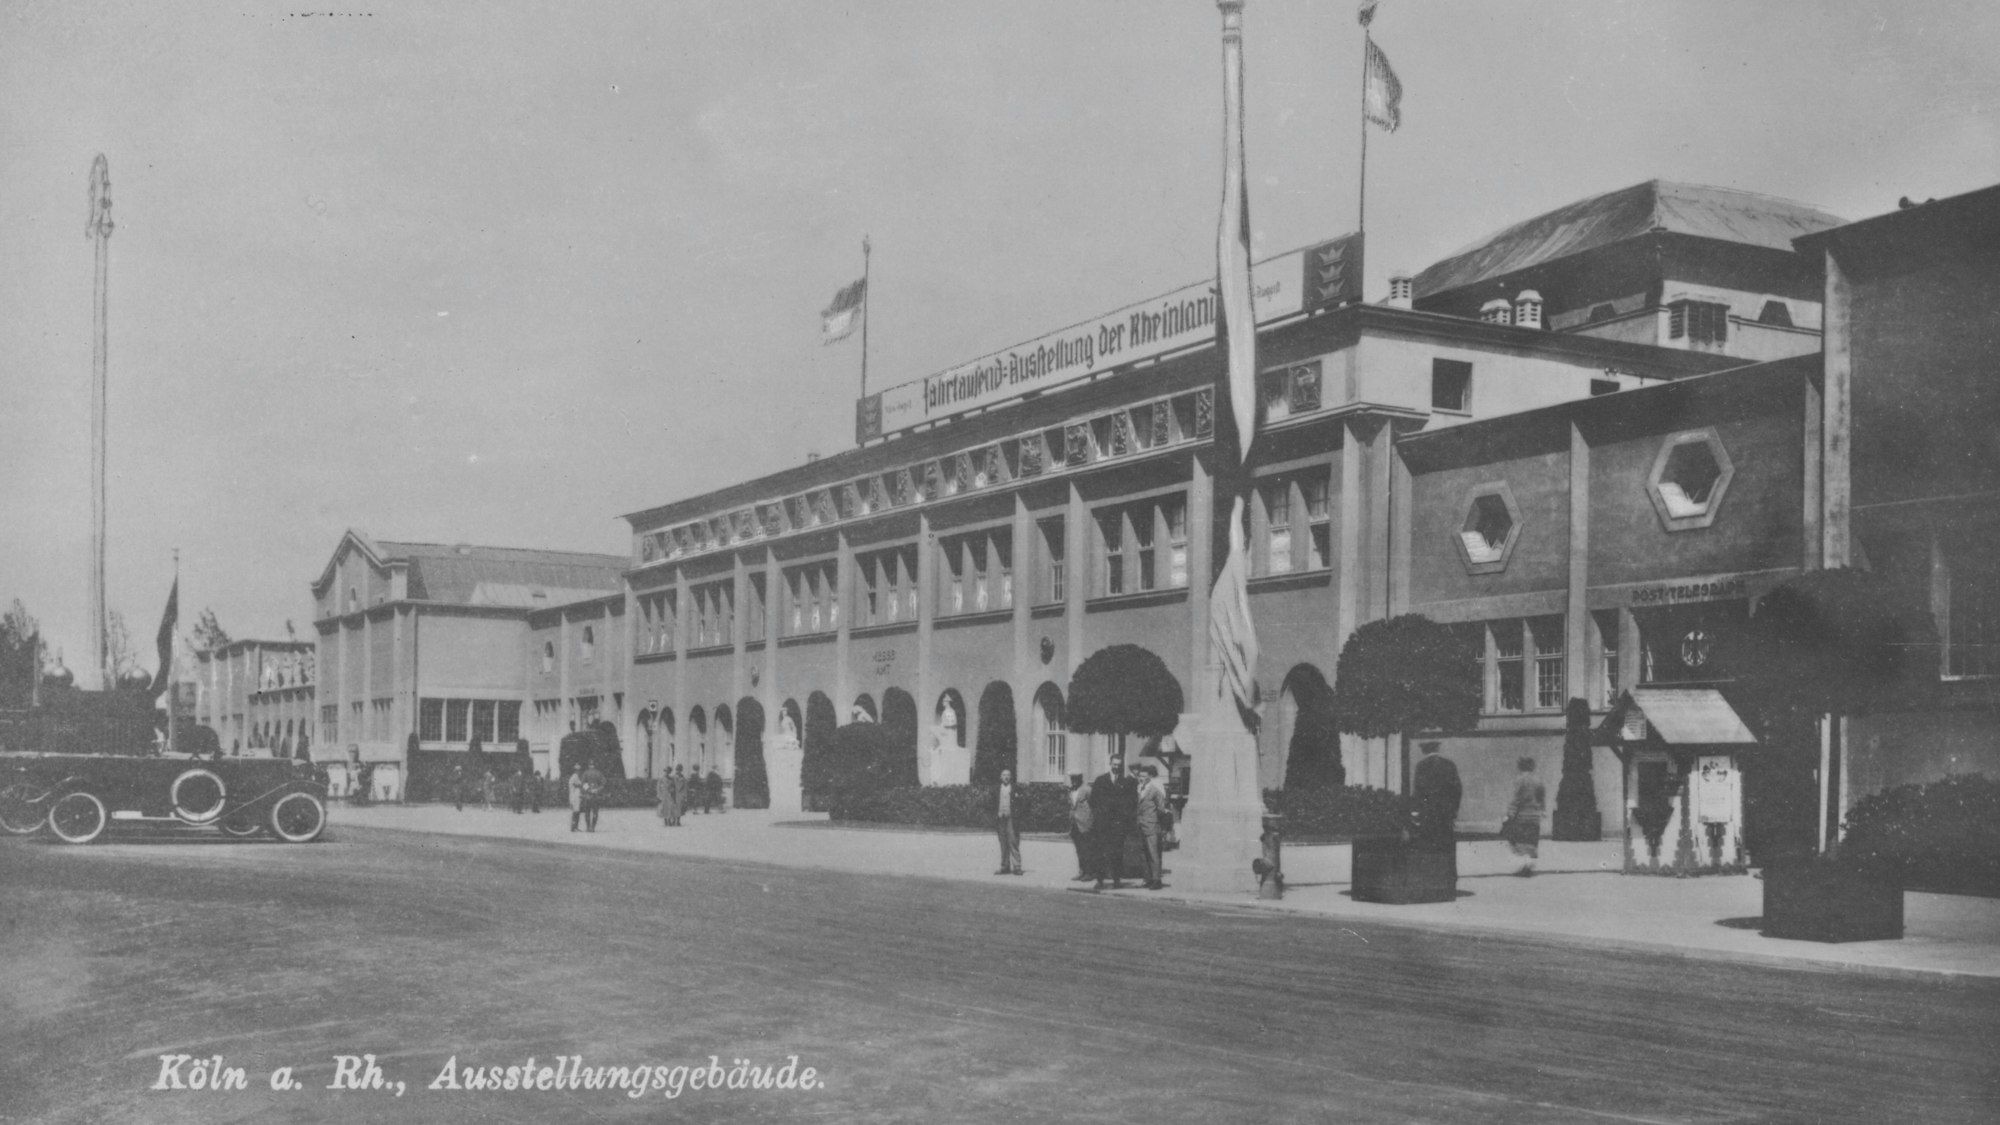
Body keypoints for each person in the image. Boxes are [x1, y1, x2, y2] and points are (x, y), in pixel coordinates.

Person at [1088, 754, 1138, 890]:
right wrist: (1100, 815)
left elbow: (1131, 802)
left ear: (1121, 766)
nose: (1116, 767)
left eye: (1119, 765)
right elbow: (1093, 801)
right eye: (1114, 764)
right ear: (1110, 764)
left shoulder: (1126, 782)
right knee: (1100, 853)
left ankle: (1116, 879)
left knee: (1117, 853)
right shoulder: (1100, 780)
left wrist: (1124, 817)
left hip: (1118, 825)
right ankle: (1100, 879)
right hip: (1102, 824)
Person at [1410, 741, 1463, 851]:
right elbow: (1457, 789)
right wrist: (1454, 809)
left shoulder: (1421, 766)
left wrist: (1417, 811)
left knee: (1429, 845)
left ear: (1423, 750)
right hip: (1446, 812)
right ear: (1437, 749)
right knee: (1446, 844)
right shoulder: (1449, 764)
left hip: (1428, 813)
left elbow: (1418, 791)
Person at [1505, 756, 1548, 876]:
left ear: (1520, 766)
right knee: (1531, 841)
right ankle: (1528, 865)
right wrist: (1543, 811)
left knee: (1520, 841)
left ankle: (1525, 866)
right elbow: (1541, 798)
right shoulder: (1539, 780)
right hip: (1534, 815)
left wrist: (1510, 813)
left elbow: (1517, 798)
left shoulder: (1519, 780)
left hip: (1522, 816)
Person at [1135, 764, 1169, 890]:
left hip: (1152, 825)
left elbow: (1161, 809)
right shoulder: (1139, 789)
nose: (1141, 778)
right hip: (1141, 825)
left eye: (1144, 776)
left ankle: (1157, 880)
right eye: (1140, 776)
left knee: (1154, 853)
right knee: (1144, 853)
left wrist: (1160, 825)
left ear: (1149, 777)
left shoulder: (1154, 790)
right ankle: (1148, 878)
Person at [993, 768, 1025, 875]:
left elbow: (1022, 804)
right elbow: (991, 804)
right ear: (1000, 777)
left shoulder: (1015, 789)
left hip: (1011, 819)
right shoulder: (997, 789)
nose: (1006, 777)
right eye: (1004, 775)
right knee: (1003, 843)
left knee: (1013, 842)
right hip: (1000, 818)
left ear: (1010, 777)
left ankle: (1017, 867)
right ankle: (1005, 866)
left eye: (1008, 775)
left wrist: (1017, 816)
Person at [1067, 773, 1094, 881]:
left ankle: (1089, 872)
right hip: (1074, 824)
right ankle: (1081, 871)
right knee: (1079, 849)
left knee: (1087, 848)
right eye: (1072, 779)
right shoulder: (1071, 791)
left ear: (1080, 779)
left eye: (1075, 779)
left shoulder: (1087, 790)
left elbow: (1093, 805)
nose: (1073, 781)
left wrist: (1090, 821)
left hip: (1085, 823)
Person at [580, 759, 607, 832]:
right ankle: (593, 828)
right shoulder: (599, 773)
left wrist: (589, 790)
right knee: (595, 812)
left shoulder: (585, 773)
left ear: (589, 765)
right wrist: (597, 790)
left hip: (588, 795)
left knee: (587, 812)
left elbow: (582, 783)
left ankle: (588, 827)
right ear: (595, 765)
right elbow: (603, 783)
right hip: (596, 796)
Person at [568, 767, 587, 832]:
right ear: (576, 771)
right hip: (575, 797)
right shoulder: (574, 777)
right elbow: (581, 785)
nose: (579, 772)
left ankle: (575, 827)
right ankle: (574, 827)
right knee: (576, 812)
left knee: (577, 812)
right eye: (578, 770)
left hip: (575, 796)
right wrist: (589, 788)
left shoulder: (575, 777)